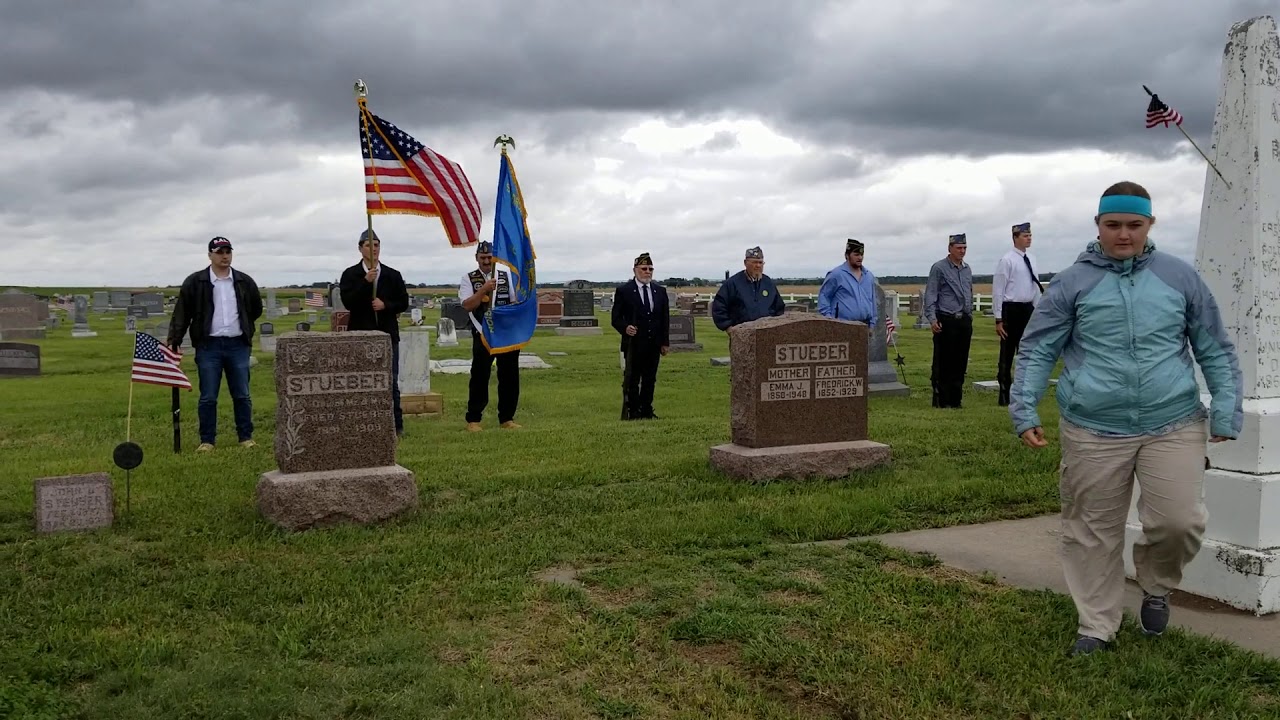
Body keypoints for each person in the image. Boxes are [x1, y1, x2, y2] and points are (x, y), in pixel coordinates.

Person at [1010, 181, 1243, 657]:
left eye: (1133, 225)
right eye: (1112, 225)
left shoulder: (1179, 278)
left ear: (1149, 225)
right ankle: (1096, 624)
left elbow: (1215, 346)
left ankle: (1157, 585)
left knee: (1178, 522)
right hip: (1093, 426)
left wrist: (1226, 405)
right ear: (1098, 226)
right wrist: (1025, 407)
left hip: (1173, 420)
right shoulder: (1073, 283)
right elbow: (1037, 350)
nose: (1123, 234)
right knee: (1092, 528)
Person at [168, 236, 264, 451]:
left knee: (241, 394)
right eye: (220, 252)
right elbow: (182, 312)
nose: (225, 256)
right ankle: (207, 440)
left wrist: (244, 327)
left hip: (237, 345)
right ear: (210, 255)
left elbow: (255, 309)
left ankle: (245, 437)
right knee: (208, 396)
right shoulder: (196, 281)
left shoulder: (243, 281)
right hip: (208, 346)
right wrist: (174, 340)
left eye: (228, 251)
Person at [339, 228, 411, 437]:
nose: (374, 249)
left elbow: (403, 302)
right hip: (360, 335)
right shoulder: (350, 274)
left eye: (377, 245)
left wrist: (386, 305)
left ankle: (396, 426)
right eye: (369, 245)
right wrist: (365, 283)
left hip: (388, 335)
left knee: (390, 381)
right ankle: (363, 423)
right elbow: (349, 302)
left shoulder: (392, 275)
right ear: (361, 249)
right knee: (361, 382)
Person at [459, 241, 521, 431]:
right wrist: (484, 289)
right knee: (479, 375)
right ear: (477, 258)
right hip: (483, 332)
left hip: (505, 333)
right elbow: (467, 305)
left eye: (489, 257)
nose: (486, 261)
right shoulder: (468, 278)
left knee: (509, 376)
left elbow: (514, 301)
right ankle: (474, 419)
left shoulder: (505, 276)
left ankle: (507, 418)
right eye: (483, 258)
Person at [611, 252, 670, 420]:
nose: (648, 272)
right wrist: (625, 327)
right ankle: (633, 411)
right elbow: (615, 318)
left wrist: (665, 342)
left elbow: (664, 319)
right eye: (644, 268)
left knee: (650, 379)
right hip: (634, 343)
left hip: (654, 343)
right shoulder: (625, 291)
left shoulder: (660, 291)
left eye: (650, 269)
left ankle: (647, 410)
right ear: (635, 269)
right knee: (632, 379)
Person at [992, 221, 1044, 406]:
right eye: (1025, 235)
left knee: (1027, 351)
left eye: (1030, 235)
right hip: (1010, 309)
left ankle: (1024, 391)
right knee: (1007, 352)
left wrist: (1038, 311)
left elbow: (1034, 286)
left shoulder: (1032, 259)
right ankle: (1004, 392)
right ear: (1015, 238)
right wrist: (998, 318)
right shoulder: (1007, 260)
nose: (1029, 238)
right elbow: (999, 290)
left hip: (1027, 309)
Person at [923, 233, 974, 408]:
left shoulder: (967, 269)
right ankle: (941, 399)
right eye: (959, 248)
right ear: (950, 248)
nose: (962, 251)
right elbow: (931, 294)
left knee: (961, 361)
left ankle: (956, 398)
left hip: (963, 319)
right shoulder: (939, 268)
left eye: (964, 248)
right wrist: (932, 318)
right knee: (944, 361)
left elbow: (969, 292)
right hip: (946, 318)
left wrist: (970, 315)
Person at [711, 246, 785, 331]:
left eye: (760, 263)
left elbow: (779, 308)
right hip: (741, 335)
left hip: (767, 334)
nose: (758, 266)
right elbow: (719, 307)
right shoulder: (733, 283)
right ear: (745, 263)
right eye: (754, 262)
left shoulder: (769, 283)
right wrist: (728, 328)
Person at [817, 238, 877, 326]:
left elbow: (873, 301)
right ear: (847, 255)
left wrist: (872, 323)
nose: (860, 258)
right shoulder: (836, 275)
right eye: (856, 255)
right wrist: (829, 318)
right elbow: (824, 296)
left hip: (864, 326)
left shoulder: (869, 276)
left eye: (861, 254)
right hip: (842, 326)